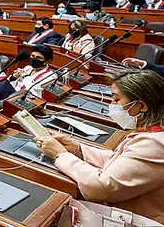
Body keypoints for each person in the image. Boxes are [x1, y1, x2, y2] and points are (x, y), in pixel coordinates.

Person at [36, 71, 164, 223]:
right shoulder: (153, 132)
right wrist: (77, 149)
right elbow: (123, 161)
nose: (111, 105)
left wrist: (60, 155)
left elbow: (102, 187)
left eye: (116, 100)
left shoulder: (154, 144)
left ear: (141, 106)